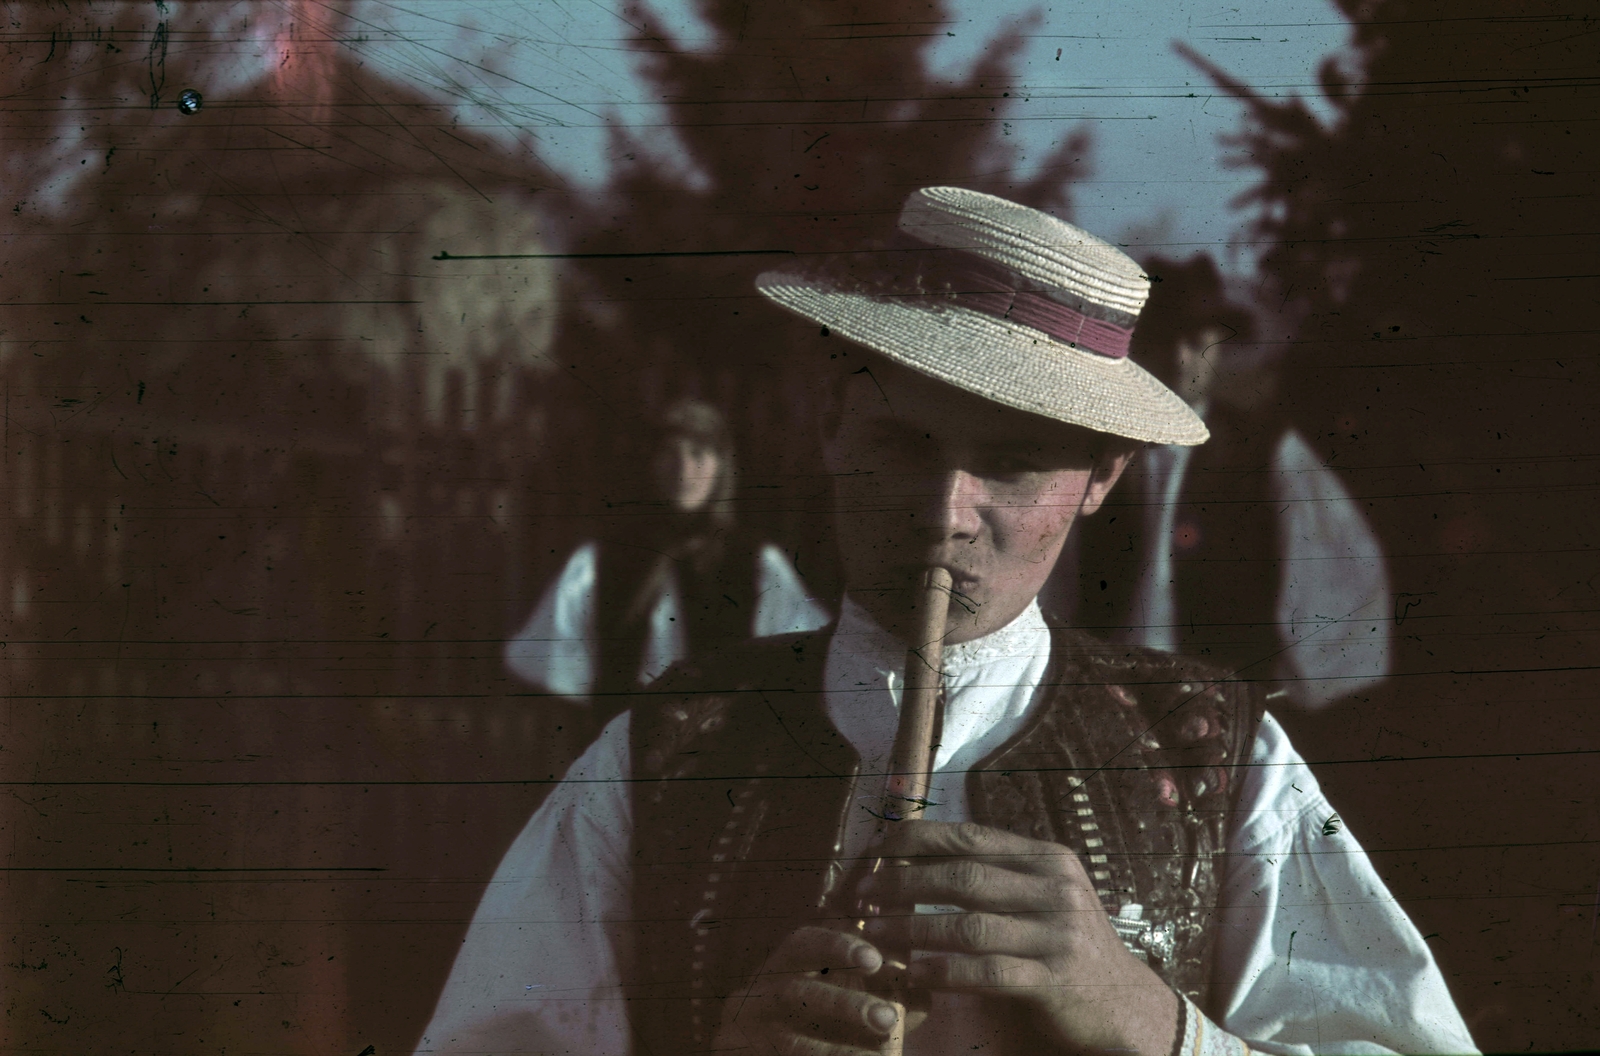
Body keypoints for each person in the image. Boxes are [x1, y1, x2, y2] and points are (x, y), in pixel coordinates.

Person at [415, 188, 1476, 1055]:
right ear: (833, 425)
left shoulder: (1219, 760)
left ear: (1102, 478)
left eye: (1011, 463)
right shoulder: (662, 752)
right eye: (902, 446)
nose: (943, 513)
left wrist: (1153, 1024)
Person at [1070, 255, 1392, 710]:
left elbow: (1341, 570)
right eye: (1162, 341)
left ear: (1219, 345)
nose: (1179, 359)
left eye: (1195, 341)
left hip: (1221, 695)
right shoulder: (1099, 448)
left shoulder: (1267, 450)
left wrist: (1291, 687)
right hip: (1107, 688)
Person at [503, 396, 830, 710]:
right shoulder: (600, 562)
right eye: (670, 453)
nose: (683, 470)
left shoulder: (757, 563)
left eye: (698, 454)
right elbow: (552, 661)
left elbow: (796, 660)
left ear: (721, 465)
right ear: (649, 463)